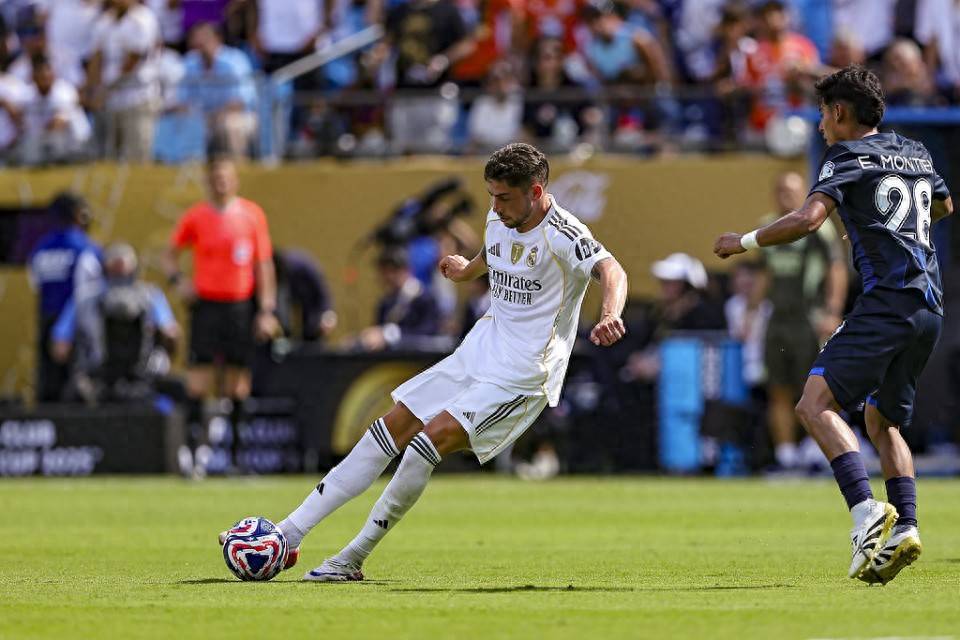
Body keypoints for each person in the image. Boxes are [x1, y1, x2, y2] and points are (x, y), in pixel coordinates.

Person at [229, 143, 628, 581]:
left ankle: (351, 558)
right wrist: (466, 270)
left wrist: (610, 313)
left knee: (428, 441)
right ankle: (289, 533)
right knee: (389, 427)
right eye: (491, 196)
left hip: (524, 372)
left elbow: (613, 270)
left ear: (535, 192)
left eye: (504, 197)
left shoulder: (564, 234)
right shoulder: (500, 216)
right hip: (479, 351)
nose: (495, 206)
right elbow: (495, 255)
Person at [714, 65, 954, 584]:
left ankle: (865, 511)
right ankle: (906, 527)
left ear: (840, 112)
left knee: (813, 404)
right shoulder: (916, 151)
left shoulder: (846, 155)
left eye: (823, 113)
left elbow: (807, 220)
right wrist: (885, 228)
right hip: (929, 308)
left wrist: (744, 242)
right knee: (882, 422)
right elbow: (944, 205)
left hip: (886, 305)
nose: (821, 124)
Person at [164, 155, 280, 475]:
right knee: (198, 382)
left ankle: (237, 459)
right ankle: (191, 457)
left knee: (237, 384)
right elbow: (170, 255)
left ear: (235, 180)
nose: (221, 184)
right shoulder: (196, 217)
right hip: (206, 306)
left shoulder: (251, 215)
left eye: (226, 178)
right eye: (216, 179)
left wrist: (266, 310)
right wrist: (179, 282)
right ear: (208, 182)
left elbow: (263, 265)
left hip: (239, 307)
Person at [760, 171, 847, 471]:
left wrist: (832, 311)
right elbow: (765, 273)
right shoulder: (767, 226)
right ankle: (785, 455)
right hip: (777, 320)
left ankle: (817, 451)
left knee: (815, 389)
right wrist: (751, 310)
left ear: (803, 195)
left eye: (791, 191)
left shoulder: (816, 227)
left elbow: (836, 269)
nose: (785, 196)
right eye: (781, 190)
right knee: (778, 388)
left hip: (809, 319)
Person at [50, 242, 180, 404]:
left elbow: (171, 332)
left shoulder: (151, 296)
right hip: (96, 378)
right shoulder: (84, 298)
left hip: (144, 376)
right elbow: (61, 345)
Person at [29, 192, 103, 402]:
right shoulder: (86, 248)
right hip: (78, 324)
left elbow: (35, 283)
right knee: (77, 384)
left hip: (46, 320)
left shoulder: (40, 248)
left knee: (47, 381)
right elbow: (91, 291)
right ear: (79, 214)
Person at [356, 246, 443, 352]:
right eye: (384, 272)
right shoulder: (386, 303)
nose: (388, 277)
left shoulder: (424, 298)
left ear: (407, 270)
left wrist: (388, 335)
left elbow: (429, 333)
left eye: (393, 270)